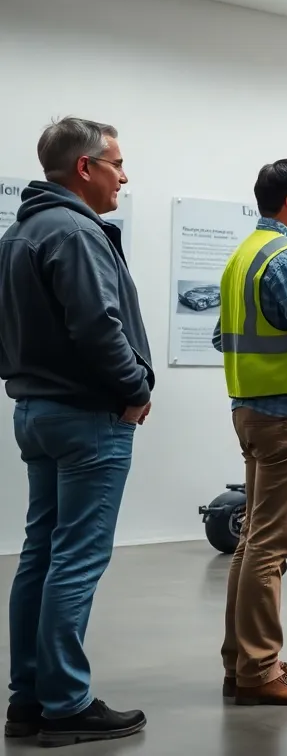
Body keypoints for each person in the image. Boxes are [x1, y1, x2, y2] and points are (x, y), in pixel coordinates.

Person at [0, 117, 152, 747]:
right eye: (115, 163)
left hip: (37, 412)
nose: (123, 175)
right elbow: (97, 326)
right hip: (88, 418)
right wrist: (135, 388)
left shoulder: (22, 231)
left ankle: (29, 699)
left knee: (41, 555)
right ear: (85, 168)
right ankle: (66, 703)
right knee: (76, 560)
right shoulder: (75, 231)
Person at [213, 159, 287, 706]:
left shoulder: (244, 256)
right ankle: (261, 672)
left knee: (252, 542)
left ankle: (244, 661)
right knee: (271, 546)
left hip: (253, 410)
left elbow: (222, 337)